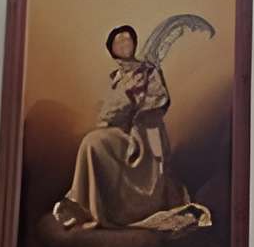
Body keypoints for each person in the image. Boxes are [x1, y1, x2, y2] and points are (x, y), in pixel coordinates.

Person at [55, 24, 205, 232]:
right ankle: (86, 207)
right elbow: (107, 111)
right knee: (91, 142)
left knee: (94, 142)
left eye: (127, 39)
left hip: (144, 135)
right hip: (120, 131)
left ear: (134, 43)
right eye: (118, 42)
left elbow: (159, 101)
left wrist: (136, 102)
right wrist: (114, 114)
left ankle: (129, 206)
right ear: (112, 50)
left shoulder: (149, 71)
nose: (124, 44)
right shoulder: (115, 78)